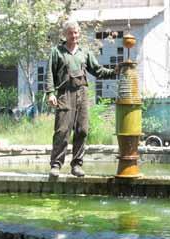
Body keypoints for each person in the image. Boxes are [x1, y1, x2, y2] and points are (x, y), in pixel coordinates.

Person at [45, 20, 117, 177]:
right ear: (65, 34)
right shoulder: (57, 52)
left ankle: (77, 165)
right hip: (65, 94)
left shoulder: (85, 52)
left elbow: (97, 71)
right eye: (70, 33)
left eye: (76, 32)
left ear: (79, 34)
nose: (74, 35)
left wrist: (114, 72)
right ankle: (56, 165)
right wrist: (50, 93)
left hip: (82, 93)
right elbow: (49, 73)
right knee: (62, 130)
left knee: (82, 130)